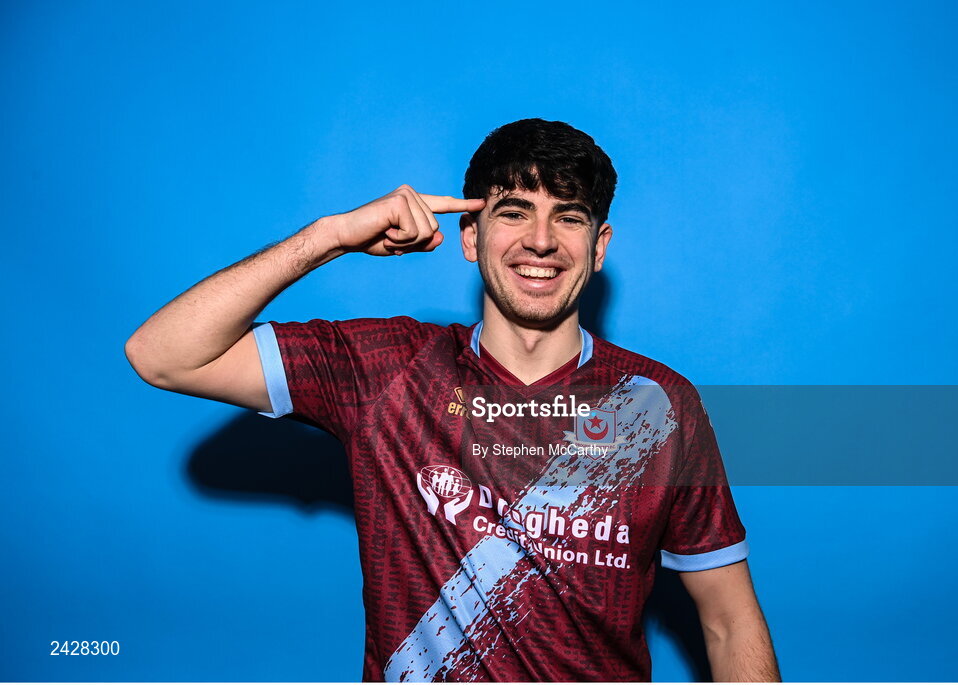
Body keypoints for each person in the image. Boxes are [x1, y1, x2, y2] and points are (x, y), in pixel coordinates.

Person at [125, 118, 780, 682]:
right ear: (471, 236)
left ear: (599, 246)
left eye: (569, 217)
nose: (542, 241)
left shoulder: (658, 403)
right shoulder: (386, 371)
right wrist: (328, 236)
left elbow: (727, 619)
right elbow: (164, 354)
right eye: (515, 211)